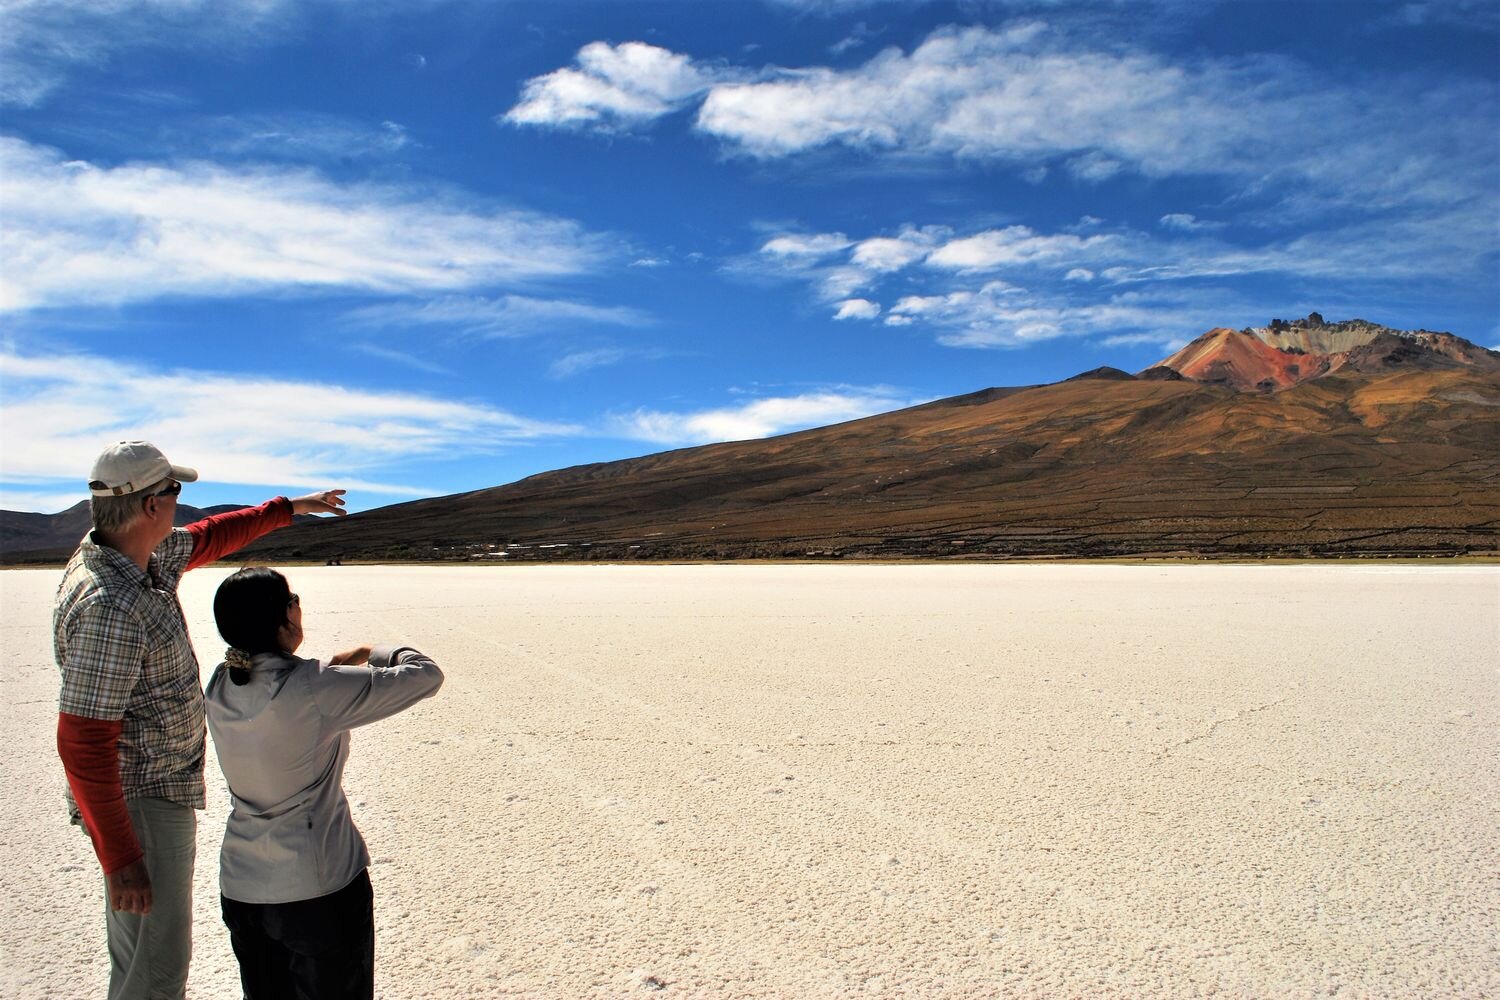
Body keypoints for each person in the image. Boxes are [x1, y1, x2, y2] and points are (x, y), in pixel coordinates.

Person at [53, 440, 348, 1000]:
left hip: (149, 798)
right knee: (157, 971)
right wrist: (121, 860)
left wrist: (290, 507)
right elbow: (83, 742)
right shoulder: (110, 603)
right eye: (173, 492)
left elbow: (213, 534)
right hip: (139, 804)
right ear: (148, 507)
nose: (179, 503)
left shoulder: (137, 557)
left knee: (141, 960)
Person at [205, 567, 443, 1000]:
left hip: (242, 886)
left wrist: (327, 675)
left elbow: (276, 685)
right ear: (283, 620)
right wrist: (373, 650)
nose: (299, 605)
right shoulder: (315, 688)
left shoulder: (221, 683)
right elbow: (426, 675)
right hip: (317, 890)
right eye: (292, 599)